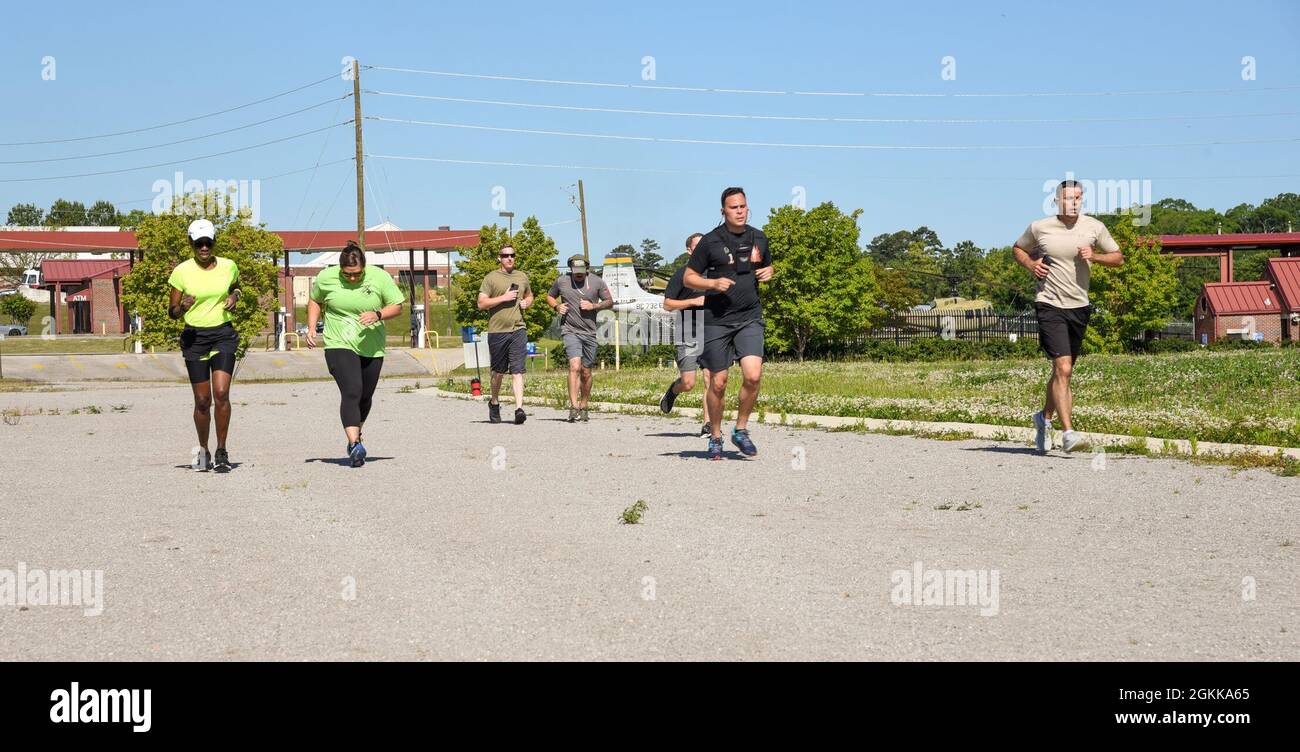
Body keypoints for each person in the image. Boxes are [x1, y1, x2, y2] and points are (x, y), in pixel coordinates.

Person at [1013, 179, 1125, 453]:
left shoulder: (1094, 227)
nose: (1073, 203)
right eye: (1067, 198)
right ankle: (1068, 433)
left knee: (1063, 372)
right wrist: (1031, 264)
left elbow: (1119, 257)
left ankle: (1043, 418)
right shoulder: (1040, 227)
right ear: (1056, 201)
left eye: (1078, 198)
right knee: (1062, 368)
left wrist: (1095, 256)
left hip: (1079, 306)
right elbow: (1017, 248)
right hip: (1049, 303)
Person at [683, 187, 775, 460]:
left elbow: (767, 267)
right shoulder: (710, 242)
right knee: (719, 382)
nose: (739, 211)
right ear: (723, 211)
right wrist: (710, 283)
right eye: (734, 207)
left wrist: (770, 271)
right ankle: (715, 435)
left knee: (753, 375)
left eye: (743, 206)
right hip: (717, 320)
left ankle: (741, 430)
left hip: (749, 317)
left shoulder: (759, 237)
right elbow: (689, 277)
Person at [306, 240, 404, 467]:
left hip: (372, 345)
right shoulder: (326, 278)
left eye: (357, 275)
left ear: (364, 268)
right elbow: (315, 300)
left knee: (365, 396)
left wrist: (378, 314)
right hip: (338, 342)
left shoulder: (379, 277)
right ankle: (354, 444)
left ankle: (357, 434)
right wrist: (312, 327)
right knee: (352, 390)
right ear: (340, 269)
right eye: (347, 275)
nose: (352, 279)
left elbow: (397, 305)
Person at [168, 218, 242, 473]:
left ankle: (222, 450)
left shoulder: (229, 266)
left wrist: (235, 296)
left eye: (207, 242)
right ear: (191, 243)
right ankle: (204, 450)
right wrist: (182, 307)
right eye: (198, 243)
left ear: (214, 242)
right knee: (202, 400)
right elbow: (172, 312)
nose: (203, 247)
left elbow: (237, 287)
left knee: (221, 393)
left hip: (223, 334)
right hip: (195, 338)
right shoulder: (181, 271)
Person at [547, 254, 612, 422]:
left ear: (587, 268)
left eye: (581, 270)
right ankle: (573, 406)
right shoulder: (561, 281)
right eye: (575, 270)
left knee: (586, 371)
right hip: (570, 330)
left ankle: (584, 405)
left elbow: (609, 301)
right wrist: (557, 306)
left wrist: (594, 306)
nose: (578, 274)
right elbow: (550, 296)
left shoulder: (597, 281)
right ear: (570, 268)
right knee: (574, 366)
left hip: (589, 332)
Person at [659, 233, 711, 437]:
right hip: (688, 332)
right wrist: (693, 302)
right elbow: (667, 304)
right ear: (689, 251)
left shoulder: (716, 274)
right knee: (688, 383)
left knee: (711, 380)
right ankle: (673, 390)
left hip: (714, 332)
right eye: (697, 246)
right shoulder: (682, 275)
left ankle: (708, 425)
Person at [477, 244, 533, 424]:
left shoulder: (522, 276)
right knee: (498, 372)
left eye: (512, 255)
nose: (509, 258)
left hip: (518, 329)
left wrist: (527, 302)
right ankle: (494, 402)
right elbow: (481, 304)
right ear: (499, 257)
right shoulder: (491, 278)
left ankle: (519, 409)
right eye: (505, 255)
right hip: (497, 331)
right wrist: (503, 298)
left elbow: (530, 295)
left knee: (517, 371)